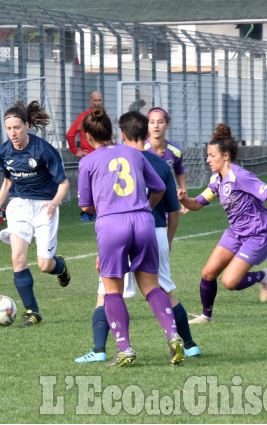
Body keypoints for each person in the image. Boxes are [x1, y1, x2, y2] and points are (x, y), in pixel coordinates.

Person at [74, 111, 199, 364]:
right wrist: (143, 206)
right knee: (152, 286)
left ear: (87, 136)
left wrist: (110, 207)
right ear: (111, 131)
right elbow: (161, 188)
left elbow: (86, 206)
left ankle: (125, 349)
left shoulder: (87, 162)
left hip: (112, 224)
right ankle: (173, 336)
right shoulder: (134, 153)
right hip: (144, 222)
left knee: (112, 291)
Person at [177, 123, 267, 324]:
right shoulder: (217, 180)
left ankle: (263, 276)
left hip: (256, 234)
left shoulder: (240, 176)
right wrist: (183, 199)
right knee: (208, 273)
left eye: (212, 155)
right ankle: (205, 316)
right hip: (235, 232)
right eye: (208, 155)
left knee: (229, 282)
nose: (208, 159)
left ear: (225, 156)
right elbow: (197, 204)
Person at [0, 100, 71, 327]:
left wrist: (54, 203)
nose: (13, 133)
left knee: (45, 265)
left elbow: (63, 184)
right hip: (19, 205)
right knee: (17, 259)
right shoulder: (4, 151)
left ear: (26, 126)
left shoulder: (43, 150)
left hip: (44, 206)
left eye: (17, 127)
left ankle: (60, 267)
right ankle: (32, 311)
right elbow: (7, 181)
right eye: (9, 128)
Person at [66, 91, 103, 222]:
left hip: (102, 156)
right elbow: (70, 135)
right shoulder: (84, 117)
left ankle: (97, 212)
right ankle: (87, 213)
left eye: (100, 100)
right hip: (89, 157)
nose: (98, 103)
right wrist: (75, 151)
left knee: (100, 185)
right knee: (88, 186)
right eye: (95, 101)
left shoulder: (104, 117)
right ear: (90, 102)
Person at [145, 107, 189, 214]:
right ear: (147, 125)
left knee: (167, 229)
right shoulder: (141, 150)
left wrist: (184, 198)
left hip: (166, 199)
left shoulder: (175, 151)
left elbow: (179, 171)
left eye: (160, 122)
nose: (156, 126)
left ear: (167, 125)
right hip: (146, 199)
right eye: (152, 122)